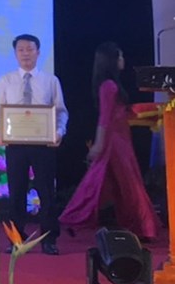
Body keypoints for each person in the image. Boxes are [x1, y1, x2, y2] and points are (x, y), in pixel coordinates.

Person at [59, 42, 158, 240]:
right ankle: (144, 228)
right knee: (127, 183)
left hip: (120, 138)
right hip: (115, 142)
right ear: (111, 60)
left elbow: (118, 113)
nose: (123, 60)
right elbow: (105, 118)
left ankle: (76, 220)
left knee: (104, 183)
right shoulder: (109, 86)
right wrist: (99, 143)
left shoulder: (109, 85)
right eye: (120, 56)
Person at [0, 34, 68, 255]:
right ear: (15, 53)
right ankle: (16, 239)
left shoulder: (50, 81)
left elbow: (60, 111)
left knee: (46, 192)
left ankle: (49, 239)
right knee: (16, 192)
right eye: (21, 50)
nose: (25, 53)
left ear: (38, 52)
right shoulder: (5, 80)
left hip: (43, 145)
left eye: (30, 49)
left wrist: (59, 132)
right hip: (15, 144)